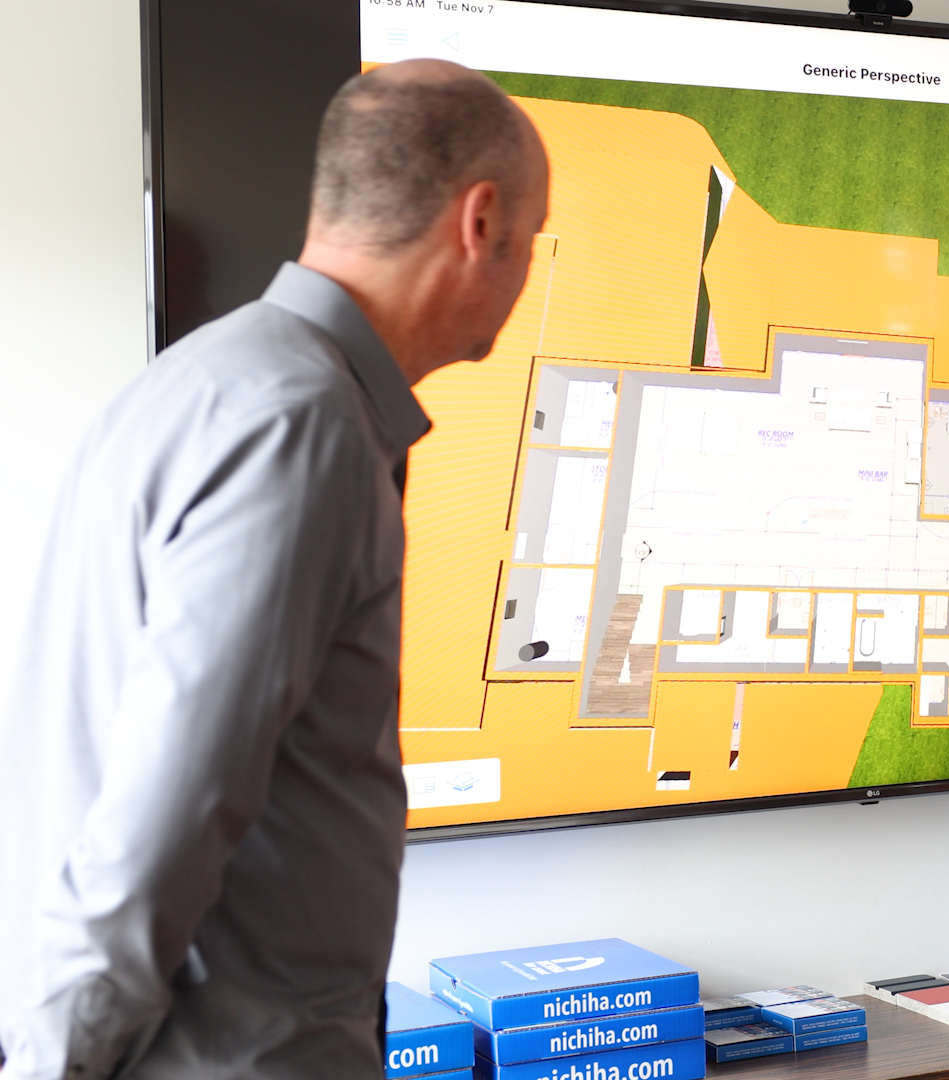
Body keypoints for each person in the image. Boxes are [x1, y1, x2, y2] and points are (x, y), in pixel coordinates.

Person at [0, 60, 548, 1079]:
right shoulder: (305, 427)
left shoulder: (197, 380)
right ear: (481, 223)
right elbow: (169, 811)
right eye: (534, 235)